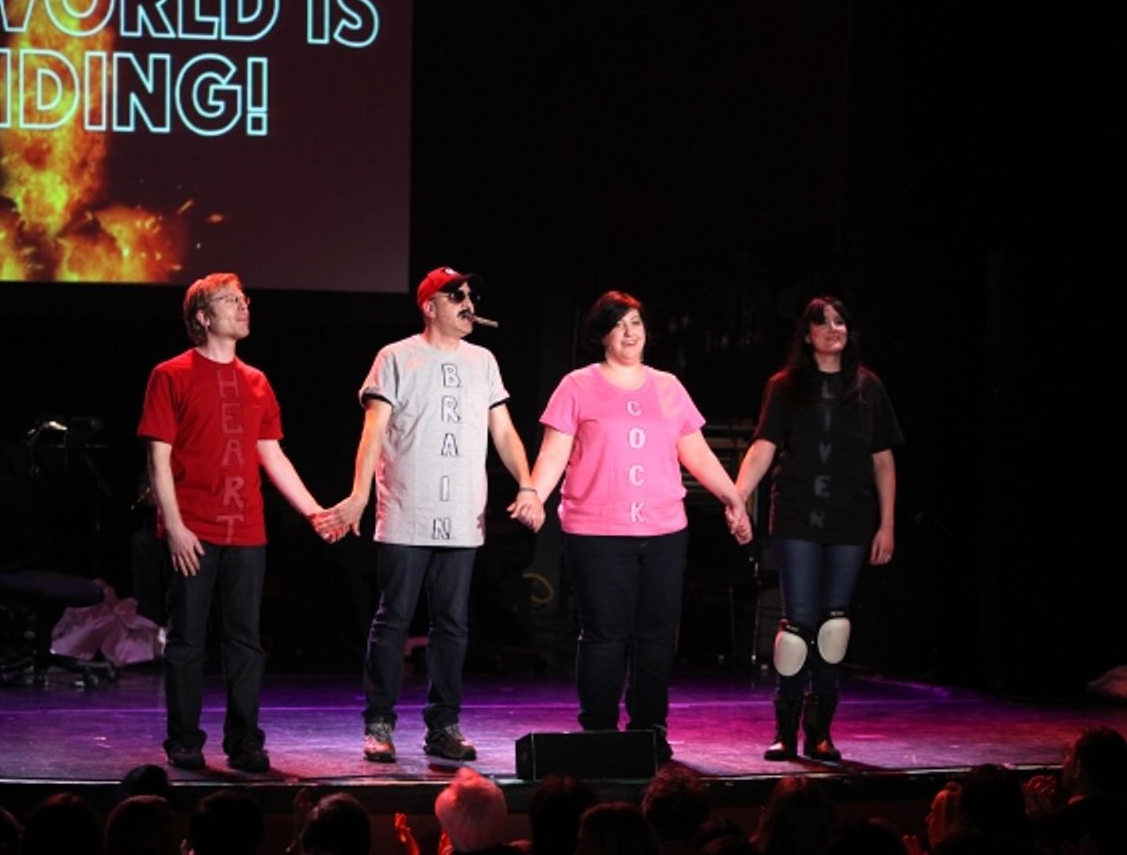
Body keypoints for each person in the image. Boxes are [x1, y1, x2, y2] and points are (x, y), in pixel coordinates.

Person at [319, 266, 543, 763]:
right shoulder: (396, 357)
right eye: (455, 294)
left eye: (470, 294)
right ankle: (379, 722)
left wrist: (527, 484)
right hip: (407, 509)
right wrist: (358, 495)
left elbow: (504, 432)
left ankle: (443, 724)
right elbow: (373, 432)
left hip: (462, 514)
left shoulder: (483, 361)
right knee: (393, 618)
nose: (468, 302)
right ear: (429, 306)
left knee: (453, 624)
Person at [526, 291, 751, 761]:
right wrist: (533, 495)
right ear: (602, 334)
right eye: (619, 324)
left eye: (636, 323)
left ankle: (649, 729)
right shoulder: (577, 385)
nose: (630, 333)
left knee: (656, 636)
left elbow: (696, 453)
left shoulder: (669, 387)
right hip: (596, 532)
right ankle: (600, 731)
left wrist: (733, 498)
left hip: (663, 531)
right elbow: (554, 453)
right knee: (605, 635)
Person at [138, 272, 329, 773]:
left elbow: (272, 454)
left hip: (246, 529)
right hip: (192, 529)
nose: (243, 306)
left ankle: (245, 741)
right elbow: (158, 459)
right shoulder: (171, 375)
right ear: (203, 317)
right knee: (187, 639)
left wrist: (312, 510)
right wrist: (174, 526)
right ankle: (184, 739)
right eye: (230, 300)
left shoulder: (257, 381)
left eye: (244, 299)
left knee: (245, 641)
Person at [735, 295, 902, 762]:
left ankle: (821, 732)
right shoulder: (785, 386)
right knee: (797, 628)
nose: (833, 329)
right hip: (796, 516)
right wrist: (737, 497)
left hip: (850, 520)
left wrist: (887, 524)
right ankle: (785, 731)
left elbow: (883, 460)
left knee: (833, 627)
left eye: (840, 321)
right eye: (822, 322)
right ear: (806, 336)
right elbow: (764, 446)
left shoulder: (868, 387)